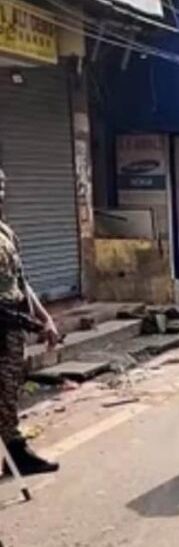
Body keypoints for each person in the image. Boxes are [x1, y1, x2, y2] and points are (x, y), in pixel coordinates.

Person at [0, 167, 60, 476]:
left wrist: (44, 318)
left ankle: (14, 452)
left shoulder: (6, 234)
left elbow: (22, 283)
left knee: (9, 388)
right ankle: (15, 451)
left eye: (1, 187)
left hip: (12, 324)